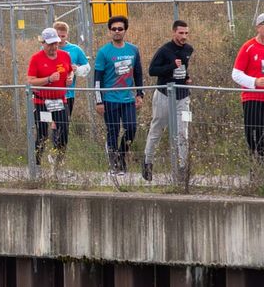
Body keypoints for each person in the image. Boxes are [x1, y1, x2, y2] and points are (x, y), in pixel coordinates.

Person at [143, 20, 194, 181]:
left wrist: (186, 78)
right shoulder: (164, 50)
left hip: (182, 96)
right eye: (181, 33)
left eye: (186, 33)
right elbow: (152, 71)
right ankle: (147, 162)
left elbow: (183, 69)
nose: (184, 36)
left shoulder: (188, 49)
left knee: (183, 131)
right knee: (157, 128)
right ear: (173, 33)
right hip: (164, 95)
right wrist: (171, 66)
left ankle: (182, 168)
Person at [93, 15, 144, 176]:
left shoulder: (133, 50)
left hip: (128, 98)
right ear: (109, 31)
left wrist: (139, 94)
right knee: (113, 131)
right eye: (113, 29)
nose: (117, 31)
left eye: (120, 29)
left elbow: (138, 73)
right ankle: (114, 164)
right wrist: (99, 101)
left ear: (125, 30)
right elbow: (97, 79)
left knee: (131, 128)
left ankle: (122, 156)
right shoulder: (103, 52)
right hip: (109, 99)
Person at [231, 11, 264, 161]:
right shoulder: (248, 47)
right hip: (253, 99)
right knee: (255, 140)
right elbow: (236, 74)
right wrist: (254, 82)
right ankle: (258, 174)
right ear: (258, 27)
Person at [28, 28, 72, 161]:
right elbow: (30, 81)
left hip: (60, 101)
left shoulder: (65, 55)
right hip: (42, 102)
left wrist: (69, 78)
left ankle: (59, 161)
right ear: (43, 43)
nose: (54, 47)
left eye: (56, 43)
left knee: (63, 130)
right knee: (42, 133)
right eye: (50, 44)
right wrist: (48, 79)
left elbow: (70, 71)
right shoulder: (36, 58)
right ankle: (36, 163)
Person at [52, 21, 90, 116]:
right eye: (57, 36)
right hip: (50, 93)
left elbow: (87, 67)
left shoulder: (75, 49)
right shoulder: (46, 48)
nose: (60, 39)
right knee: (51, 122)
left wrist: (77, 69)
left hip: (68, 94)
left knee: (64, 124)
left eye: (63, 36)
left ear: (67, 35)